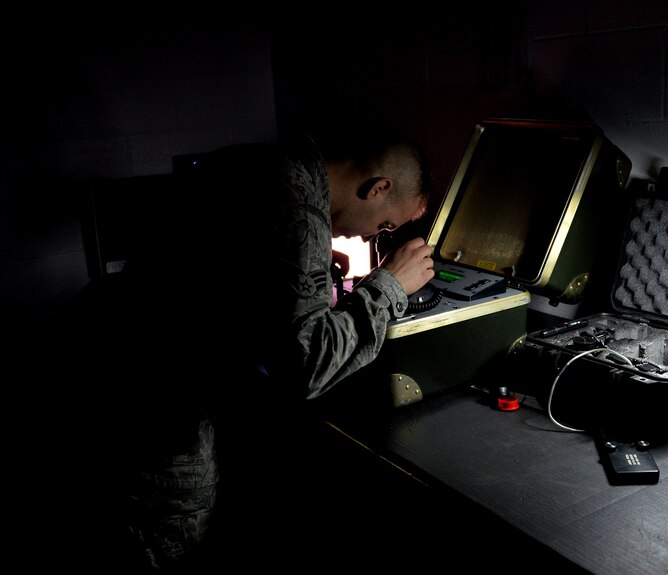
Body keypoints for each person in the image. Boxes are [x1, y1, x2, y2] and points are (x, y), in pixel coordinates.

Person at [56, 128, 436, 571]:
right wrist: (390, 285)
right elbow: (306, 366)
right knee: (168, 549)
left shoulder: (264, 161)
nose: (374, 234)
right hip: (154, 408)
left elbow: (229, 275)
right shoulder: (298, 208)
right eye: (386, 224)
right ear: (378, 188)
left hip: (104, 364)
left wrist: (304, 270)